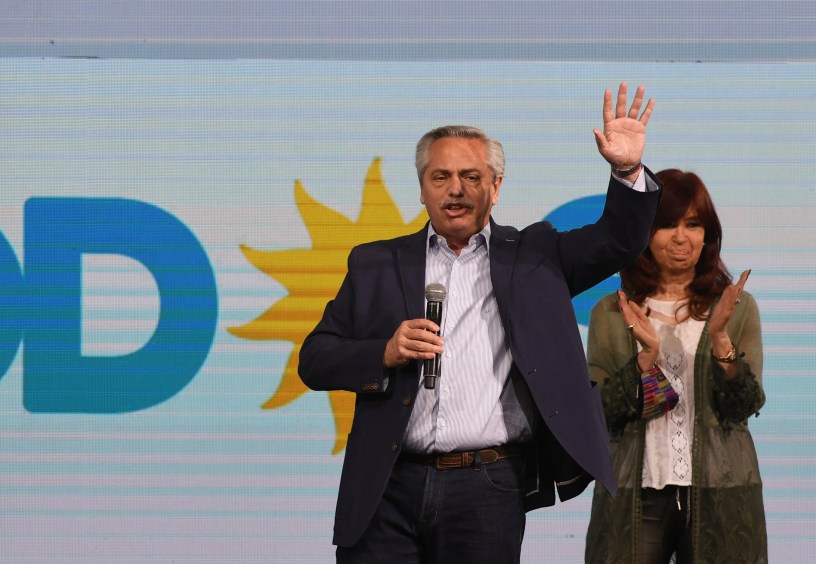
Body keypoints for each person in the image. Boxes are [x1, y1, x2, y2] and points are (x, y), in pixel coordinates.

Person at [299, 83, 661, 564]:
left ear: (496, 187)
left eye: (471, 176)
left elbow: (620, 240)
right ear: (422, 189)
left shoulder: (536, 256)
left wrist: (627, 171)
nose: (456, 189)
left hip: (487, 486)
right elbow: (315, 359)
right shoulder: (376, 264)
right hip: (386, 486)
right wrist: (383, 352)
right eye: (441, 176)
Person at [584, 169, 767, 563]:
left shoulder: (737, 308)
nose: (681, 237)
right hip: (637, 491)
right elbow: (600, 413)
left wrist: (720, 340)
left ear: (707, 235)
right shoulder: (611, 313)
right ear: (645, 234)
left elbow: (743, 406)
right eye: (666, 225)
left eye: (693, 224)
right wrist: (644, 361)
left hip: (722, 490)